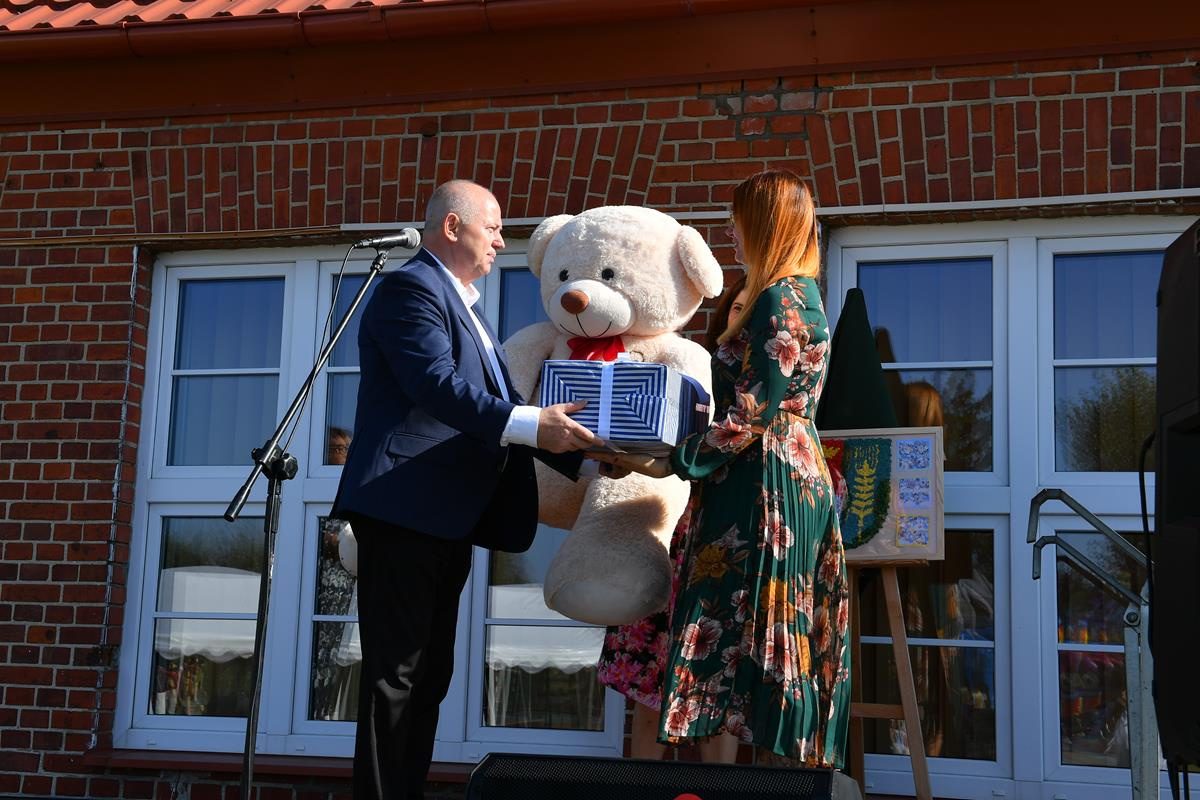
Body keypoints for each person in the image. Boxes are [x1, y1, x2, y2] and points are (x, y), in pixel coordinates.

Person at [331, 179, 597, 800]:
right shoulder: (410, 289)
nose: (502, 241)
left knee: (429, 678)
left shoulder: (468, 307)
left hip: (444, 519)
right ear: (452, 227)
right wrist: (536, 425)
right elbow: (435, 385)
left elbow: (500, 406)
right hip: (403, 509)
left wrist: (589, 460)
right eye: (494, 227)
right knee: (396, 678)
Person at [593, 170, 852, 767]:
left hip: (766, 481)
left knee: (755, 627)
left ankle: (773, 781)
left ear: (765, 225)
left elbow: (753, 411)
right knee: (775, 634)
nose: (731, 231)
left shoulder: (780, 297)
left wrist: (676, 459)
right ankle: (772, 776)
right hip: (783, 469)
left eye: (739, 220)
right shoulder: (798, 294)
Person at [595, 274, 748, 762]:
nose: (743, 320)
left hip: (727, 546)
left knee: (716, 690)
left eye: (753, 311)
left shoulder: (773, 389)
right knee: (650, 687)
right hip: (672, 535)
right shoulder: (696, 368)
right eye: (737, 308)